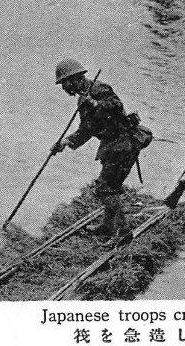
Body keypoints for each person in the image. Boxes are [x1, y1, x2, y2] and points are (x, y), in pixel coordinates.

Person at [49, 59, 152, 244]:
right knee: (107, 186)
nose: (64, 88)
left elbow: (117, 108)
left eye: (65, 83)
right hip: (110, 148)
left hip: (124, 145)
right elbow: (86, 130)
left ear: (76, 79)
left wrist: (95, 104)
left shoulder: (100, 89)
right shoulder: (82, 99)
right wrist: (65, 142)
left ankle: (123, 234)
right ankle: (107, 225)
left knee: (106, 189)